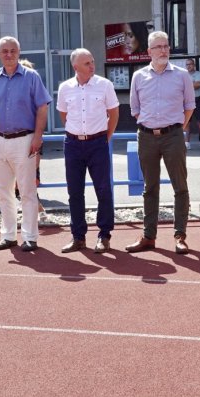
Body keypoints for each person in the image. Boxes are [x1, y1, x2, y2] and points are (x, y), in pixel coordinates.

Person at [126, 31, 195, 255]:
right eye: (158, 47)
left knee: (180, 186)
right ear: (149, 52)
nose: (164, 50)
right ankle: (148, 236)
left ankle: (180, 236)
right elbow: (135, 109)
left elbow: (189, 107)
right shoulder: (138, 77)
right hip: (146, 137)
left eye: (166, 46)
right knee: (150, 188)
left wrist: (175, 128)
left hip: (173, 136)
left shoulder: (182, 75)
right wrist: (152, 127)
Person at [0, 36, 52, 252]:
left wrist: (38, 137)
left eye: (13, 50)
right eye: (5, 51)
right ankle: (9, 236)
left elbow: (42, 108)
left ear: (19, 52)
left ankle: (30, 237)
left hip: (24, 139)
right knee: (3, 191)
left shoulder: (31, 77)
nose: (9, 54)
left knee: (27, 191)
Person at [58, 49, 120, 254]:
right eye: (87, 63)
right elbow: (63, 115)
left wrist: (104, 138)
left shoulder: (105, 85)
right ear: (75, 66)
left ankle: (104, 236)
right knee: (74, 192)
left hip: (98, 144)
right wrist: (77, 135)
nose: (92, 65)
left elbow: (114, 113)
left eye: (92, 61)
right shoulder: (65, 87)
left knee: (103, 190)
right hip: (73, 145)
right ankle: (78, 237)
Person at [17, 59, 49, 224]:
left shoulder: (36, 95)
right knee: (20, 182)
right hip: (15, 142)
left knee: (29, 179)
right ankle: (32, 210)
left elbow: (42, 114)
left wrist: (38, 137)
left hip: (32, 139)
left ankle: (39, 211)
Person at [184, 58, 200, 151]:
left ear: (194, 65)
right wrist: (191, 84)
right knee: (186, 122)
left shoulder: (199, 74)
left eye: (190, 64)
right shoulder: (183, 75)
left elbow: (198, 85)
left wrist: (185, 85)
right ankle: (187, 143)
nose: (188, 66)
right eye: (187, 64)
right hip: (186, 100)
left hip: (197, 100)